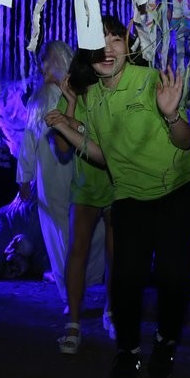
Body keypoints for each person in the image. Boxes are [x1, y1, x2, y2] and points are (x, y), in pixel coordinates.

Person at [45, 16, 190, 378]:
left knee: (173, 275)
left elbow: (185, 141)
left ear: (127, 47)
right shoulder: (90, 96)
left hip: (179, 188)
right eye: (98, 41)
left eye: (115, 39)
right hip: (130, 195)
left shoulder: (150, 81)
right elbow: (103, 156)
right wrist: (66, 125)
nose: (107, 48)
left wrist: (172, 114)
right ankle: (128, 350)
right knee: (126, 279)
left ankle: (166, 341)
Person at [52, 51, 114, 355]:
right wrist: (70, 104)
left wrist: (72, 123)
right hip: (85, 186)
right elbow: (63, 148)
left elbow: (107, 141)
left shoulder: (113, 92)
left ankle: (112, 311)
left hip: (116, 182)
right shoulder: (72, 94)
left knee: (116, 254)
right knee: (77, 250)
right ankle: (74, 322)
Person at [16, 41, 75, 307]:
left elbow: (29, 141)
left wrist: (24, 177)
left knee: (62, 228)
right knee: (65, 227)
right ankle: (73, 286)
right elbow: (29, 140)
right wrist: (25, 176)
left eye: (45, 60)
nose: (41, 66)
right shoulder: (48, 98)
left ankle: (73, 287)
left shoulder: (48, 97)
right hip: (60, 168)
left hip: (61, 168)